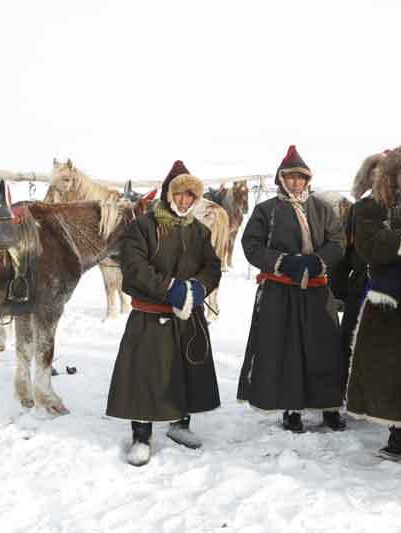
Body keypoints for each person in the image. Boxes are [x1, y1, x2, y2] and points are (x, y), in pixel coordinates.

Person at [106, 160, 222, 467]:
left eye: (190, 196)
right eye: (179, 194)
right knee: (145, 375)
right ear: (168, 195)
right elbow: (134, 267)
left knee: (184, 371)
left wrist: (198, 288)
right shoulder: (142, 226)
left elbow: (212, 266)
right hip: (150, 313)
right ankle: (142, 436)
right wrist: (170, 288)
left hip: (186, 316)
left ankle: (180, 425)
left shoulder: (198, 230)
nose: (184, 200)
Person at [237, 145, 346, 433]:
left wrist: (317, 261)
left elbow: (338, 241)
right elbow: (251, 246)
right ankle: (291, 408)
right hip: (280, 291)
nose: (296, 182)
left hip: (317, 290)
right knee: (287, 349)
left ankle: (330, 406)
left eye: (301, 177)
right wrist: (284, 262)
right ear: (281, 179)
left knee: (324, 348)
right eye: (291, 177)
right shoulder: (266, 211)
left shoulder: (322, 209)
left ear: (307, 180)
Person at [345, 142, 401, 460]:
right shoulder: (372, 207)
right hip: (391, 305)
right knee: (394, 371)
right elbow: (370, 249)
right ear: (393, 177)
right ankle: (399, 434)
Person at [329, 151, 386, 390]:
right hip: (360, 284)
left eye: (383, 172)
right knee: (350, 340)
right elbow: (344, 251)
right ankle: (346, 392)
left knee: (385, 346)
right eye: (374, 172)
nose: (378, 176)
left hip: (393, 288)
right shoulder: (358, 208)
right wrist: (338, 290)